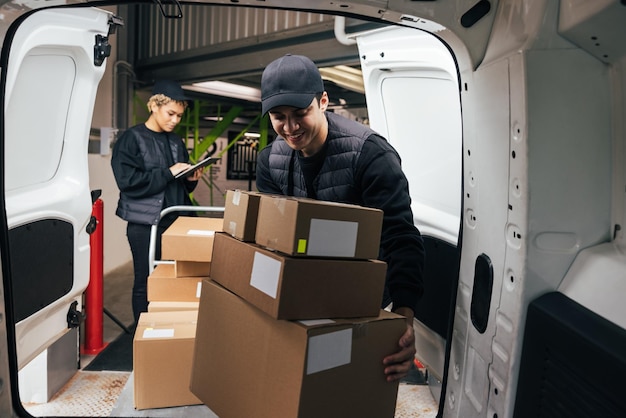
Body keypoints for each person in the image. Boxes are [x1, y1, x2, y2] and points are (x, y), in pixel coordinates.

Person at [256, 54, 425, 382]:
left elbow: (400, 236)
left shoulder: (371, 156)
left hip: (362, 295)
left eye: (300, 113)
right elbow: (271, 236)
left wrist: (404, 315)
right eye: (279, 117)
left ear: (323, 101)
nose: (290, 128)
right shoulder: (270, 161)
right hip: (304, 290)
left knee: (346, 381)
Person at [111, 80, 204, 325]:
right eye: (170, 113)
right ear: (154, 106)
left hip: (175, 221)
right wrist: (168, 172)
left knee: (175, 277)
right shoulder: (131, 139)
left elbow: (178, 185)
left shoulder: (176, 142)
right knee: (145, 279)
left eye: (179, 116)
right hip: (145, 224)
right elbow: (128, 182)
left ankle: (168, 326)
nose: (175, 120)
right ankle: (143, 332)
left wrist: (191, 179)